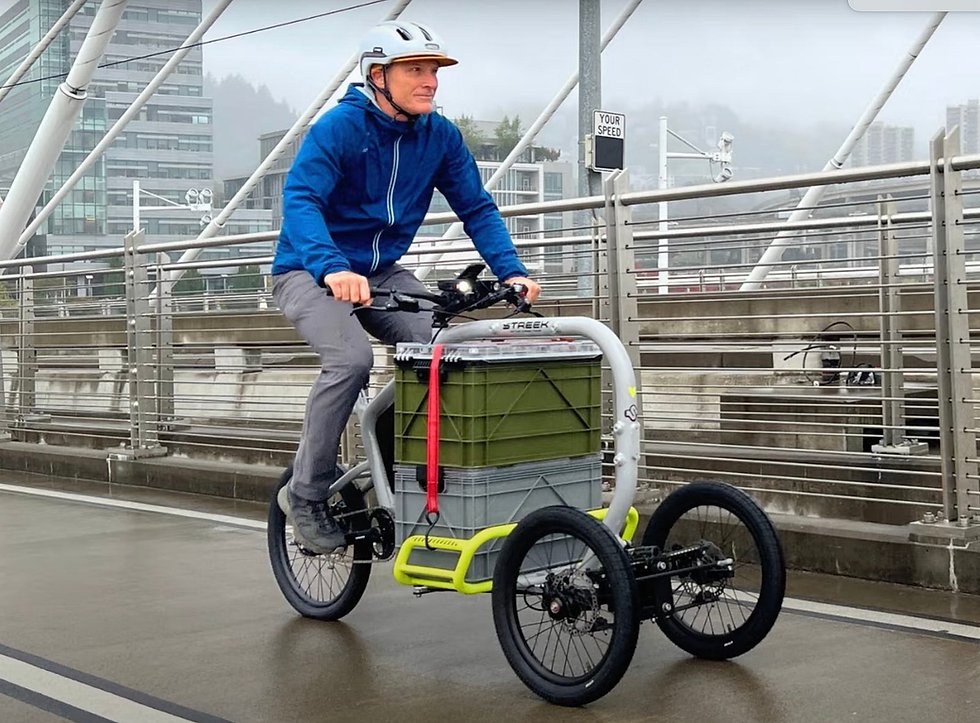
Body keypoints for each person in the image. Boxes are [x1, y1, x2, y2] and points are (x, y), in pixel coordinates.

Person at [271, 20, 541, 553]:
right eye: (416, 70)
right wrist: (331, 267)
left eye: (434, 71)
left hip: (382, 272)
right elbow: (301, 202)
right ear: (378, 75)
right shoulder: (338, 130)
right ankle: (305, 493)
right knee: (350, 361)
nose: (431, 82)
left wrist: (512, 271)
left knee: (442, 353)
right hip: (308, 269)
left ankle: (401, 464)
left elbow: (476, 208)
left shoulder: (439, 136)